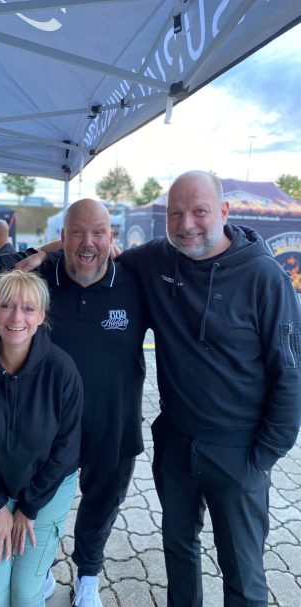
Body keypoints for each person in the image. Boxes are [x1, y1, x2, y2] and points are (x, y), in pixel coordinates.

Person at [118, 170, 301, 607]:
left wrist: (263, 457)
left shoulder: (265, 277)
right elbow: (94, 251)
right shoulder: (158, 258)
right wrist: (37, 255)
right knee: (178, 552)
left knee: (243, 576)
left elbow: (290, 374)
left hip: (240, 451)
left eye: (199, 211)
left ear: (223, 211)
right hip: (175, 441)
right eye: (175, 213)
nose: (186, 225)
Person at [0, 198, 150, 606]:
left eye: (98, 233)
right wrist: (42, 253)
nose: (87, 242)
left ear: (111, 236)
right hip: (45, 428)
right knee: (41, 504)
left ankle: (88, 576)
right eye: (76, 233)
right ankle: (41, 566)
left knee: (101, 505)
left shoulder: (135, 281)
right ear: (62, 237)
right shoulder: (39, 277)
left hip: (112, 424)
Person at [0, 270, 83, 606]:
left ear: (41, 316)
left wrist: (30, 506)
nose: (16, 318)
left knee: (25, 594)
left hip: (45, 490)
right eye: (7, 305)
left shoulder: (62, 370)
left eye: (28, 309)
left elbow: (66, 449)